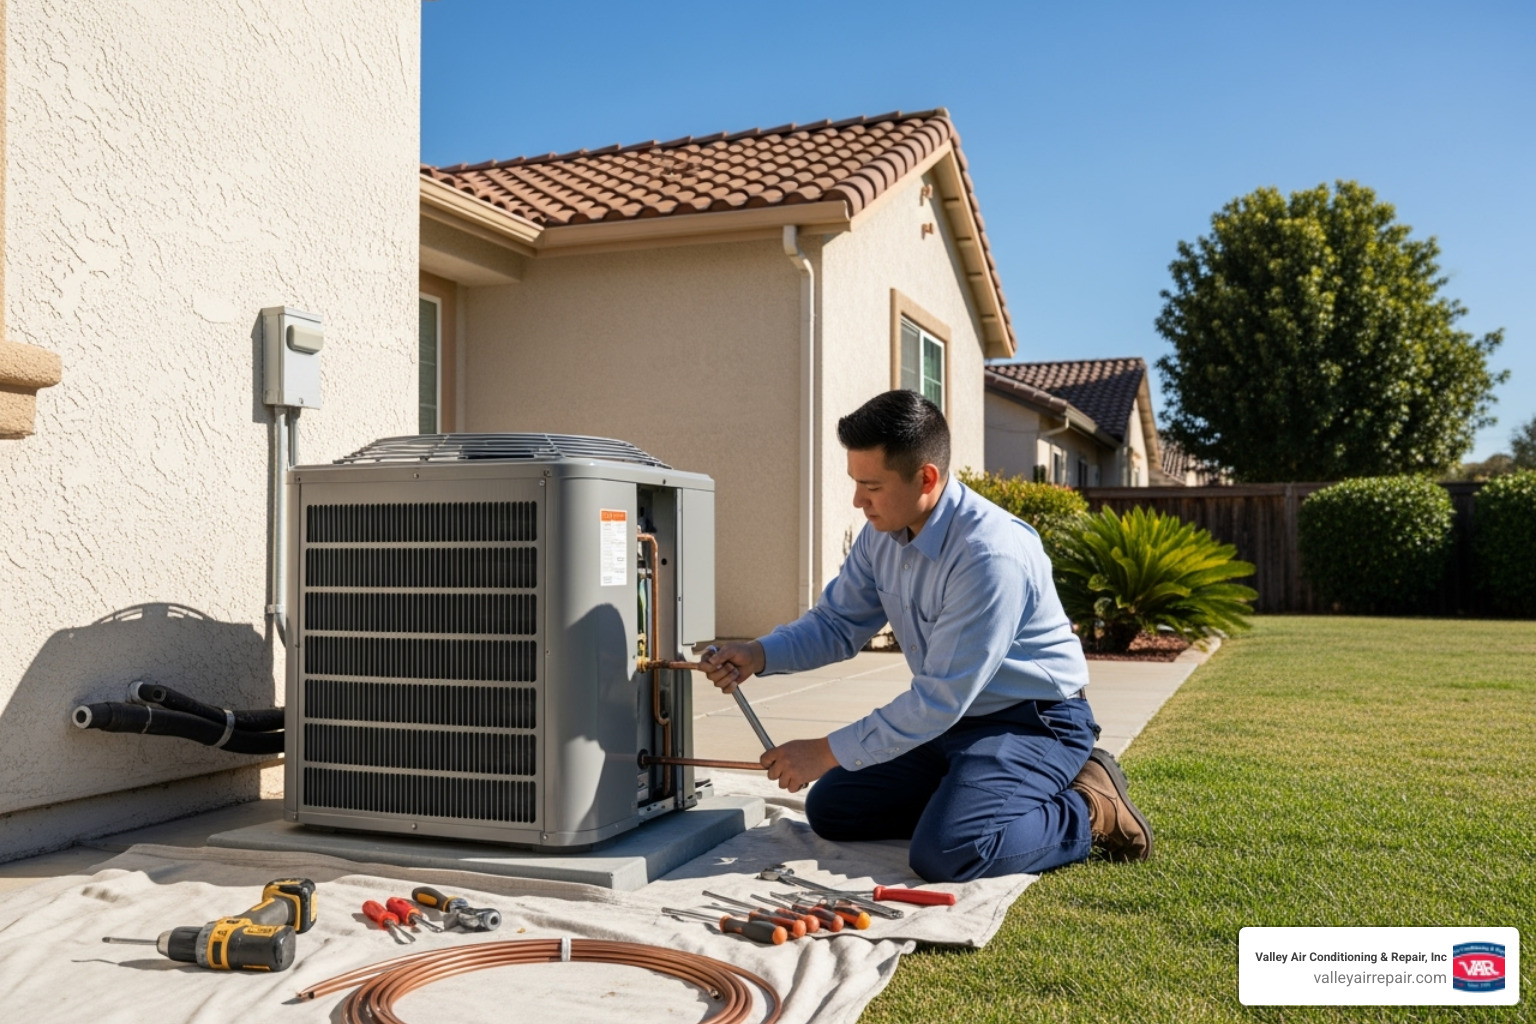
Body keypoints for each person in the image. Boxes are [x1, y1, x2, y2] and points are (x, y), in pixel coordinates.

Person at [701, 390, 1152, 882]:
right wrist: (758, 653)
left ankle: (1090, 806)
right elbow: (837, 623)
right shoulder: (882, 534)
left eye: (870, 486)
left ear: (927, 478)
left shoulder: (988, 556)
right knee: (831, 809)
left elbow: (938, 698)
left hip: (1033, 722)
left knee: (950, 852)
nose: (858, 501)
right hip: (954, 722)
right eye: (855, 483)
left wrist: (824, 750)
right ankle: (966, 796)